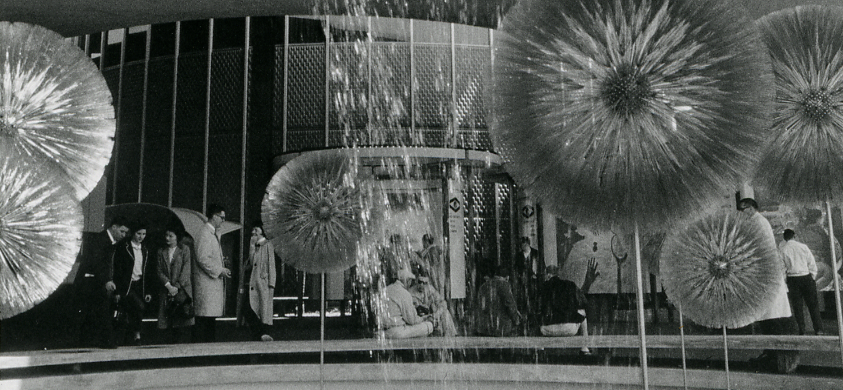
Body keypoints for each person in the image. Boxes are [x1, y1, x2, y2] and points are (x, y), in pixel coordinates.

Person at [740, 198, 799, 373]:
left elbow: (757, 247)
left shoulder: (758, 222)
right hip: (766, 279)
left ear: (752, 209)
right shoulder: (758, 222)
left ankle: (779, 360)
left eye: (745, 209)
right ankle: (775, 357)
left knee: (774, 322)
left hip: (767, 278)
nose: (743, 212)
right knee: (771, 321)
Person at [75, 215, 130, 348]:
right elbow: (97, 263)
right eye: (122, 231)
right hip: (90, 282)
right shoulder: (100, 240)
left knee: (96, 311)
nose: (123, 235)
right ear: (114, 227)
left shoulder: (109, 242)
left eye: (125, 233)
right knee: (101, 309)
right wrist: (106, 280)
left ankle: (92, 342)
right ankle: (106, 341)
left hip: (95, 282)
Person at [540, 260, 600, 355]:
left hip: (547, 330)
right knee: (582, 311)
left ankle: (540, 348)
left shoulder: (543, 287)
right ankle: (585, 348)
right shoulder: (570, 285)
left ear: (548, 275)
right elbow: (583, 302)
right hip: (569, 329)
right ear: (558, 274)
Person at [192, 204, 232, 342]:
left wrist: (221, 263)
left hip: (210, 285)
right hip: (206, 285)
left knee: (209, 321)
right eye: (222, 217)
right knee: (204, 321)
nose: (223, 220)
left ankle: (207, 351)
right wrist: (220, 270)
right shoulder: (204, 233)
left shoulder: (212, 234)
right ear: (214, 216)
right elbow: (202, 258)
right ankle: (203, 354)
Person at [111, 222, 153, 345]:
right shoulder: (125, 247)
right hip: (127, 283)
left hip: (139, 283)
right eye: (138, 233)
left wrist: (148, 291)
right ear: (133, 233)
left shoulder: (145, 249)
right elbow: (118, 269)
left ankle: (133, 335)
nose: (141, 237)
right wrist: (117, 290)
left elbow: (147, 270)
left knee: (136, 309)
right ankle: (135, 335)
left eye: (144, 234)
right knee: (134, 307)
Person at [779, 229, 823, 335]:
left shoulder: (782, 249)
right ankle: (819, 329)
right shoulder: (803, 247)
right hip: (806, 277)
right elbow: (812, 263)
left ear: (785, 239)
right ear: (794, 236)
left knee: (797, 307)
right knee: (813, 305)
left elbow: (782, 268)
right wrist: (812, 276)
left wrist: (786, 281)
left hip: (793, 280)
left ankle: (802, 329)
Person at [377, 256, 434, 339]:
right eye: (411, 281)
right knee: (428, 326)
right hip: (397, 332)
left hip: (382, 332)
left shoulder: (386, 289)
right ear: (407, 281)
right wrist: (424, 318)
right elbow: (412, 320)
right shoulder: (404, 293)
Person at [156, 227, 194, 343]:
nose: (167, 238)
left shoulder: (185, 250)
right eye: (166, 235)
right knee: (167, 317)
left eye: (171, 236)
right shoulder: (161, 251)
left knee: (181, 318)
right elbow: (159, 270)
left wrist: (176, 287)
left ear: (177, 237)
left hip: (181, 290)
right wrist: (168, 286)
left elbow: (186, 270)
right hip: (166, 289)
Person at [244, 222, 276, 341]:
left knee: (263, 310)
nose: (254, 233)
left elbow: (271, 265)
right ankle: (258, 333)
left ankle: (263, 333)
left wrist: (272, 284)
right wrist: (252, 248)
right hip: (254, 284)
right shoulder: (254, 246)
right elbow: (252, 263)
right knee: (250, 308)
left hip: (263, 283)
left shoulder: (267, 245)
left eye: (256, 231)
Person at [474, 264, 522, 337]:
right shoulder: (504, 285)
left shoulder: (483, 286)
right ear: (507, 277)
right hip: (501, 328)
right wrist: (516, 320)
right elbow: (510, 304)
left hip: (484, 328)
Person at [409, 266, 456, 337]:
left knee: (445, 313)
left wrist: (437, 313)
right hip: (418, 317)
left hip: (430, 316)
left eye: (424, 283)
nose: (422, 285)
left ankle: (449, 337)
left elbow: (442, 303)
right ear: (416, 281)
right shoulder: (410, 292)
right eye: (420, 282)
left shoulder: (430, 290)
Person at [514, 236, 544, 334]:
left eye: (524, 244)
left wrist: (538, 276)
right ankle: (526, 322)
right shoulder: (518, 256)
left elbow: (541, 267)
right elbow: (516, 269)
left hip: (534, 282)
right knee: (524, 302)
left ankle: (533, 321)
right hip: (523, 283)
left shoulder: (536, 254)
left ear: (527, 244)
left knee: (534, 301)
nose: (522, 246)